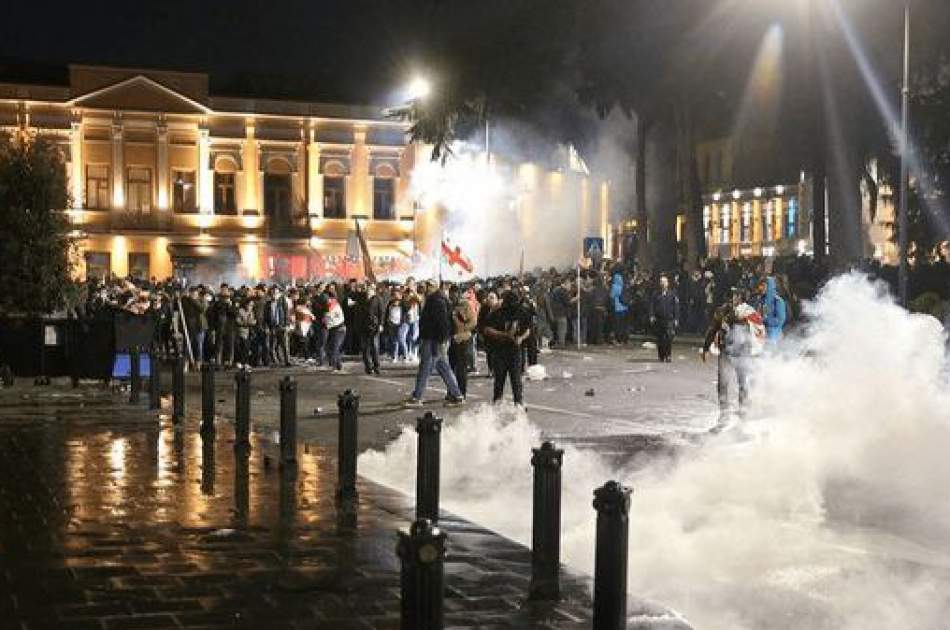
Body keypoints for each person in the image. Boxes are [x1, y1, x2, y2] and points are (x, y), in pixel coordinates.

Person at [702, 288, 765, 431]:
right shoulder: (721, 311)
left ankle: (743, 414)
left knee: (743, 384)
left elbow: (759, 330)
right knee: (723, 383)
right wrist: (706, 348)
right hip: (726, 352)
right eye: (732, 296)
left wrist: (757, 348)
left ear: (742, 298)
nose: (733, 299)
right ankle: (724, 414)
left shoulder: (749, 312)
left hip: (743, 353)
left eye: (737, 296)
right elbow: (712, 329)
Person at [404, 281, 464, 407]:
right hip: (434, 339)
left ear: (434, 287)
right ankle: (458, 396)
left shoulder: (437, 300)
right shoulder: (436, 299)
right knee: (443, 367)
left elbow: (442, 323)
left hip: (433, 340)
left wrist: (441, 341)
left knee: (425, 368)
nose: (426, 288)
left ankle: (417, 397)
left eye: (429, 286)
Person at [482, 291, 531, 406]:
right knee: (499, 380)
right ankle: (497, 404)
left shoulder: (521, 312)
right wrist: (503, 335)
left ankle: (518, 403)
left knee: (516, 380)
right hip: (499, 351)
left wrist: (521, 338)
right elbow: (487, 329)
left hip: (515, 351)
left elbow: (528, 329)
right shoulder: (498, 313)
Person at [448, 284, 476, 399]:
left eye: (455, 293)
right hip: (452, 340)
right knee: (451, 368)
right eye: (451, 293)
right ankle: (452, 391)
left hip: (463, 340)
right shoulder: (450, 305)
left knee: (461, 370)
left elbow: (473, 322)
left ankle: (461, 393)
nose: (453, 295)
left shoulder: (465, 305)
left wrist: (463, 331)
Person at [649, 275, 680, 362]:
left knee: (668, 338)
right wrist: (652, 315)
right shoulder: (656, 294)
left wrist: (676, 318)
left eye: (664, 282)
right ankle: (661, 355)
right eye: (661, 282)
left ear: (667, 283)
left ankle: (668, 355)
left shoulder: (672, 294)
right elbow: (652, 305)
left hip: (669, 319)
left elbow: (676, 307)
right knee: (660, 338)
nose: (663, 284)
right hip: (659, 319)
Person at [358, 283, 386, 375]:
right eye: (367, 289)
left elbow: (381, 312)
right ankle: (368, 367)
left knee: (375, 347)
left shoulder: (378, 299)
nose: (368, 291)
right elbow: (358, 312)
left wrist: (381, 324)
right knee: (365, 348)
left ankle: (377, 366)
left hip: (374, 326)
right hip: (363, 326)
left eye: (370, 290)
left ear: (373, 291)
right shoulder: (361, 298)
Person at [755, 276, 787, 343]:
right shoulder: (761, 301)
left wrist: (765, 320)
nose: (761, 288)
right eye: (760, 285)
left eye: (763, 285)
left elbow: (780, 320)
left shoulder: (778, 301)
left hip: (774, 336)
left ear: (770, 286)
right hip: (762, 335)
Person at [323, 288, 347, 371]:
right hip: (336, 328)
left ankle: (335, 365)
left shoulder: (332, 304)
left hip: (339, 328)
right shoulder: (333, 303)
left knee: (334, 348)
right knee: (333, 347)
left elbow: (328, 316)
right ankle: (337, 365)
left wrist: (325, 320)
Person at [609, 267, 629, 344]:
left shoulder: (615, 286)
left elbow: (612, 296)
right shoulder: (624, 286)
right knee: (624, 324)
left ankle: (618, 339)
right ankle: (625, 339)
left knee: (617, 325)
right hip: (625, 307)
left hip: (617, 308)